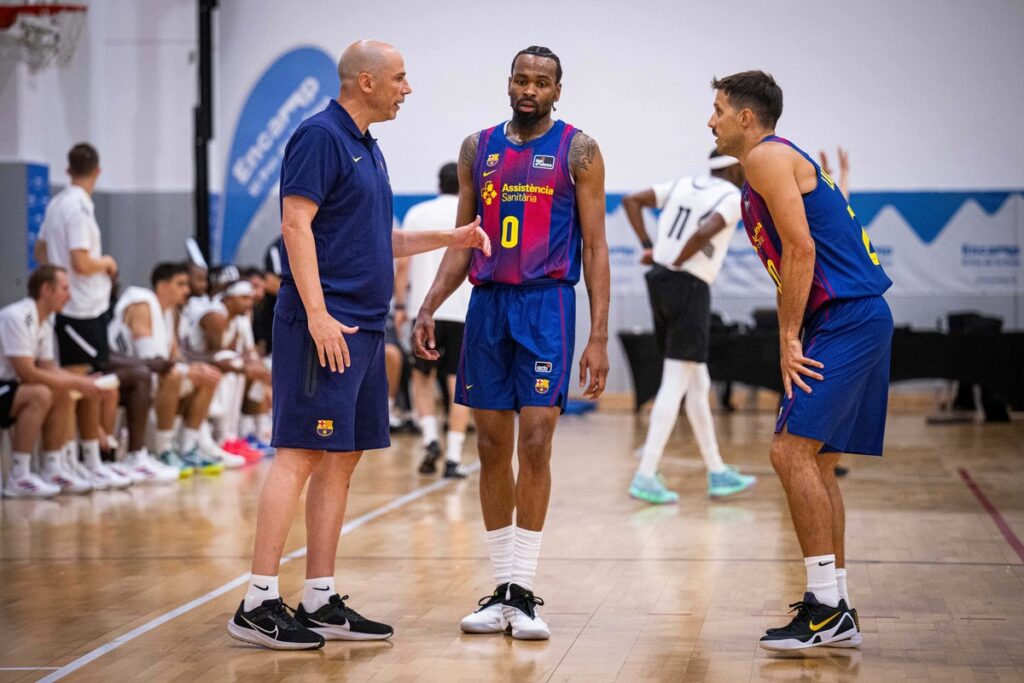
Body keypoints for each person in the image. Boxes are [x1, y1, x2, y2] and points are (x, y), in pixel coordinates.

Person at [227, 39, 489, 651]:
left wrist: (452, 235)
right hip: (327, 326)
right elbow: (295, 225)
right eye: (400, 78)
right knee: (298, 453)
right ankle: (257, 602)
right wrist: (317, 314)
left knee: (342, 458)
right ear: (365, 82)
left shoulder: (368, 148)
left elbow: (379, 240)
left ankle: (318, 599)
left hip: (367, 328)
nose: (408, 88)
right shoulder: (320, 136)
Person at [413, 46, 610, 641]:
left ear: (557, 89)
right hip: (489, 306)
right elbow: (465, 238)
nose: (530, 89)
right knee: (491, 445)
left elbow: (597, 247)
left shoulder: (580, 150)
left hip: (547, 305)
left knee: (539, 441)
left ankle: (524, 590)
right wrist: (428, 305)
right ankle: (501, 590)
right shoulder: (478, 149)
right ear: (508, 83)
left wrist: (598, 335)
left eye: (541, 82)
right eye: (522, 79)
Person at [709, 70, 893, 650]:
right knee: (817, 462)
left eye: (716, 110)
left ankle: (825, 608)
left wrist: (788, 336)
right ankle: (837, 603)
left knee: (789, 451)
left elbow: (803, 249)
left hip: (845, 317)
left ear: (746, 117)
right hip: (854, 316)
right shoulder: (774, 166)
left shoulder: (765, 156)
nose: (708, 121)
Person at [622, 150, 757, 503]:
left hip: (660, 281)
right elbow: (706, 229)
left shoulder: (682, 184)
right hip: (688, 284)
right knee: (676, 381)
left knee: (698, 382)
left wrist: (651, 248)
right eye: (742, 164)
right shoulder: (730, 197)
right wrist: (680, 259)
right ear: (730, 167)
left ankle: (716, 470)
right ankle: (646, 473)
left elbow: (631, 200)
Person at [34, 143, 124, 489]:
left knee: (86, 384)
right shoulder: (78, 208)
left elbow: (41, 250)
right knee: (78, 384)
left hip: (75, 305)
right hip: (81, 307)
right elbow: (82, 262)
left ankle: (82, 459)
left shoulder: (57, 202)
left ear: (69, 168)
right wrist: (108, 263)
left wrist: (55, 277)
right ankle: (67, 461)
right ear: (97, 172)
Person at [0, 266, 113, 497]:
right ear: (46, 289)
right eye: (64, 288)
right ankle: (18, 476)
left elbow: (49, 368)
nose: (69, 295)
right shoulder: (19, 316)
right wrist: (76, 383)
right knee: (41, 393)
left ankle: (53, 467)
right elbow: (27, 373)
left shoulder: (45, 320)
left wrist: (80, 381)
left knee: (62, 390)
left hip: (11, 387)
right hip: (4, 384)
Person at [107, 262, 224, 481]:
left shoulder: (172, 314)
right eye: (180, 284)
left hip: (150, 376)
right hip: (125, 375)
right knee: (175, 376)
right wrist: (187, 370)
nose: (187, 290)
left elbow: (175, 357)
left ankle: (188, 447)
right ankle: (163, 450)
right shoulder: (142, 303)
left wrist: (196, 368)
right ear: (161, 286)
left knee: (208, 376)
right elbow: (150, 359)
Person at [395, 162, 472, 478]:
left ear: (438, 184)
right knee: (459, 385)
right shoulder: (473, 214)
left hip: (424, 309)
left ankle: (429, 438)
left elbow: (402, 266)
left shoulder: (417, 213)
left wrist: (400, 303)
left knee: (421, 377)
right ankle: (453, 456)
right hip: (463, 309)